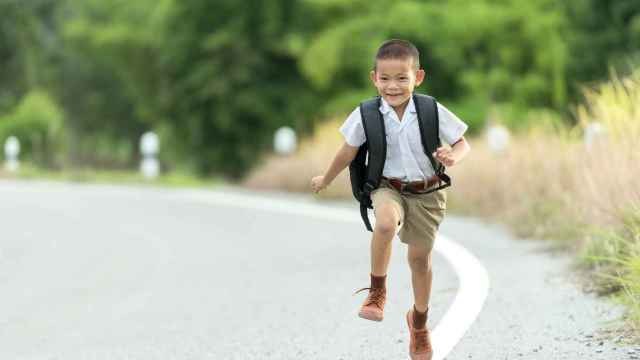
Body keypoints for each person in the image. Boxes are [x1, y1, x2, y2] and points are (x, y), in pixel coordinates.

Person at [310, 39, 470, 360]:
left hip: (428, 192)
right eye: (385, 79)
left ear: (418, 77)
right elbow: (348, 150)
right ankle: (377, 292)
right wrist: (326, 177)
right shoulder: (367, 113)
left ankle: (419, 323)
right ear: (374, 78)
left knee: (419, 261)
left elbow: (462, 142)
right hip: (388, 187)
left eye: (401, 78)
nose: (392, 86)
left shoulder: (430, 110)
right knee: (384, 223)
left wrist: (453, 156)